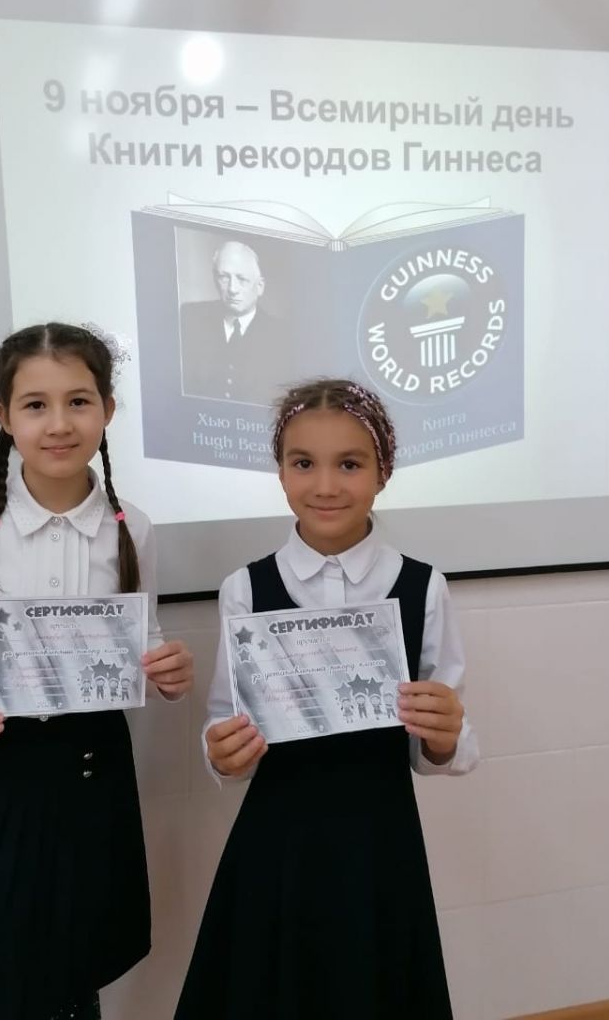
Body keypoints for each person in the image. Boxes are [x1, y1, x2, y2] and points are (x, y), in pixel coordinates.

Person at [0, 322, 194, 1020]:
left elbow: (137, 642)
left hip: (85, 776)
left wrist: (165, 668)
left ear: (108, 410)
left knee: (65, 974)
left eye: (79, 401)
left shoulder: (133, 527)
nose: (58, 424)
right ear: (4, 417)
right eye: (35, 405)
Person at [174, 378, 478, 1020]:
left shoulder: (424, 587)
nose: (326, 485)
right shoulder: (244, 588)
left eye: (350, 464)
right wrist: (223, 754)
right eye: (303, 463)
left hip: (380, 843)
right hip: (278, 843)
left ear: (383, 471)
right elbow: (224, 728)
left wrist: (446, 735)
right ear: (281, 471)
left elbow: (442, 742)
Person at [179, 239, 286, 404]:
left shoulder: (282, 336)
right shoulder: (189, 318)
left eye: (242, 279)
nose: (232, 289)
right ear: (214, 279)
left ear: (260, 286)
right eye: (224, 277)